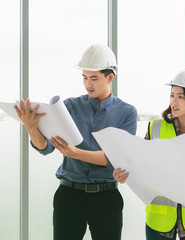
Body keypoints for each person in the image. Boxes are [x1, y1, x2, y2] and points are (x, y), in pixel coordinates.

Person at [15, 44, 137, 240]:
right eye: (85, 77)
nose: (88, 83)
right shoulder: (69, 107)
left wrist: (74, 153)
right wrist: (31, 129)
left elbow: (114, 159)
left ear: (110, 77)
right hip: (69, 196)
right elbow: (44, 148)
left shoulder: (127, 112)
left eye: (94, 78)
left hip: (107, 198)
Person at [113, 68, 185, 240]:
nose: (174, 101)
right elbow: (139, 165)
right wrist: (124, 174)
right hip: (160, 219)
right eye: (172, 95)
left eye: (180, 96)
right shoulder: (155, 129)